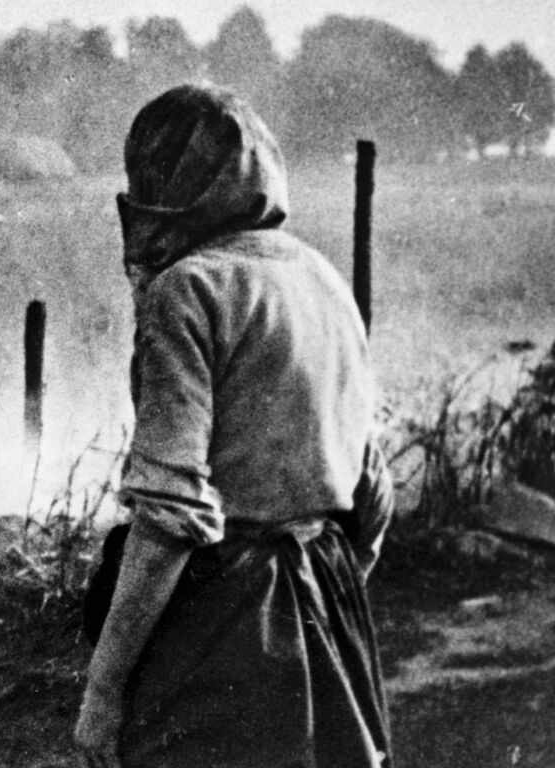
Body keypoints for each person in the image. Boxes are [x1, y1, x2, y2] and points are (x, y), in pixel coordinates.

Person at [74, 84, 395, 768]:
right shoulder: (321, 278)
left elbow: (169, 517)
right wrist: (335, 588)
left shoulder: (187, 290)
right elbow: (372, 487)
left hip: (224, 612)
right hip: (329, 595)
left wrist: (103, 689)